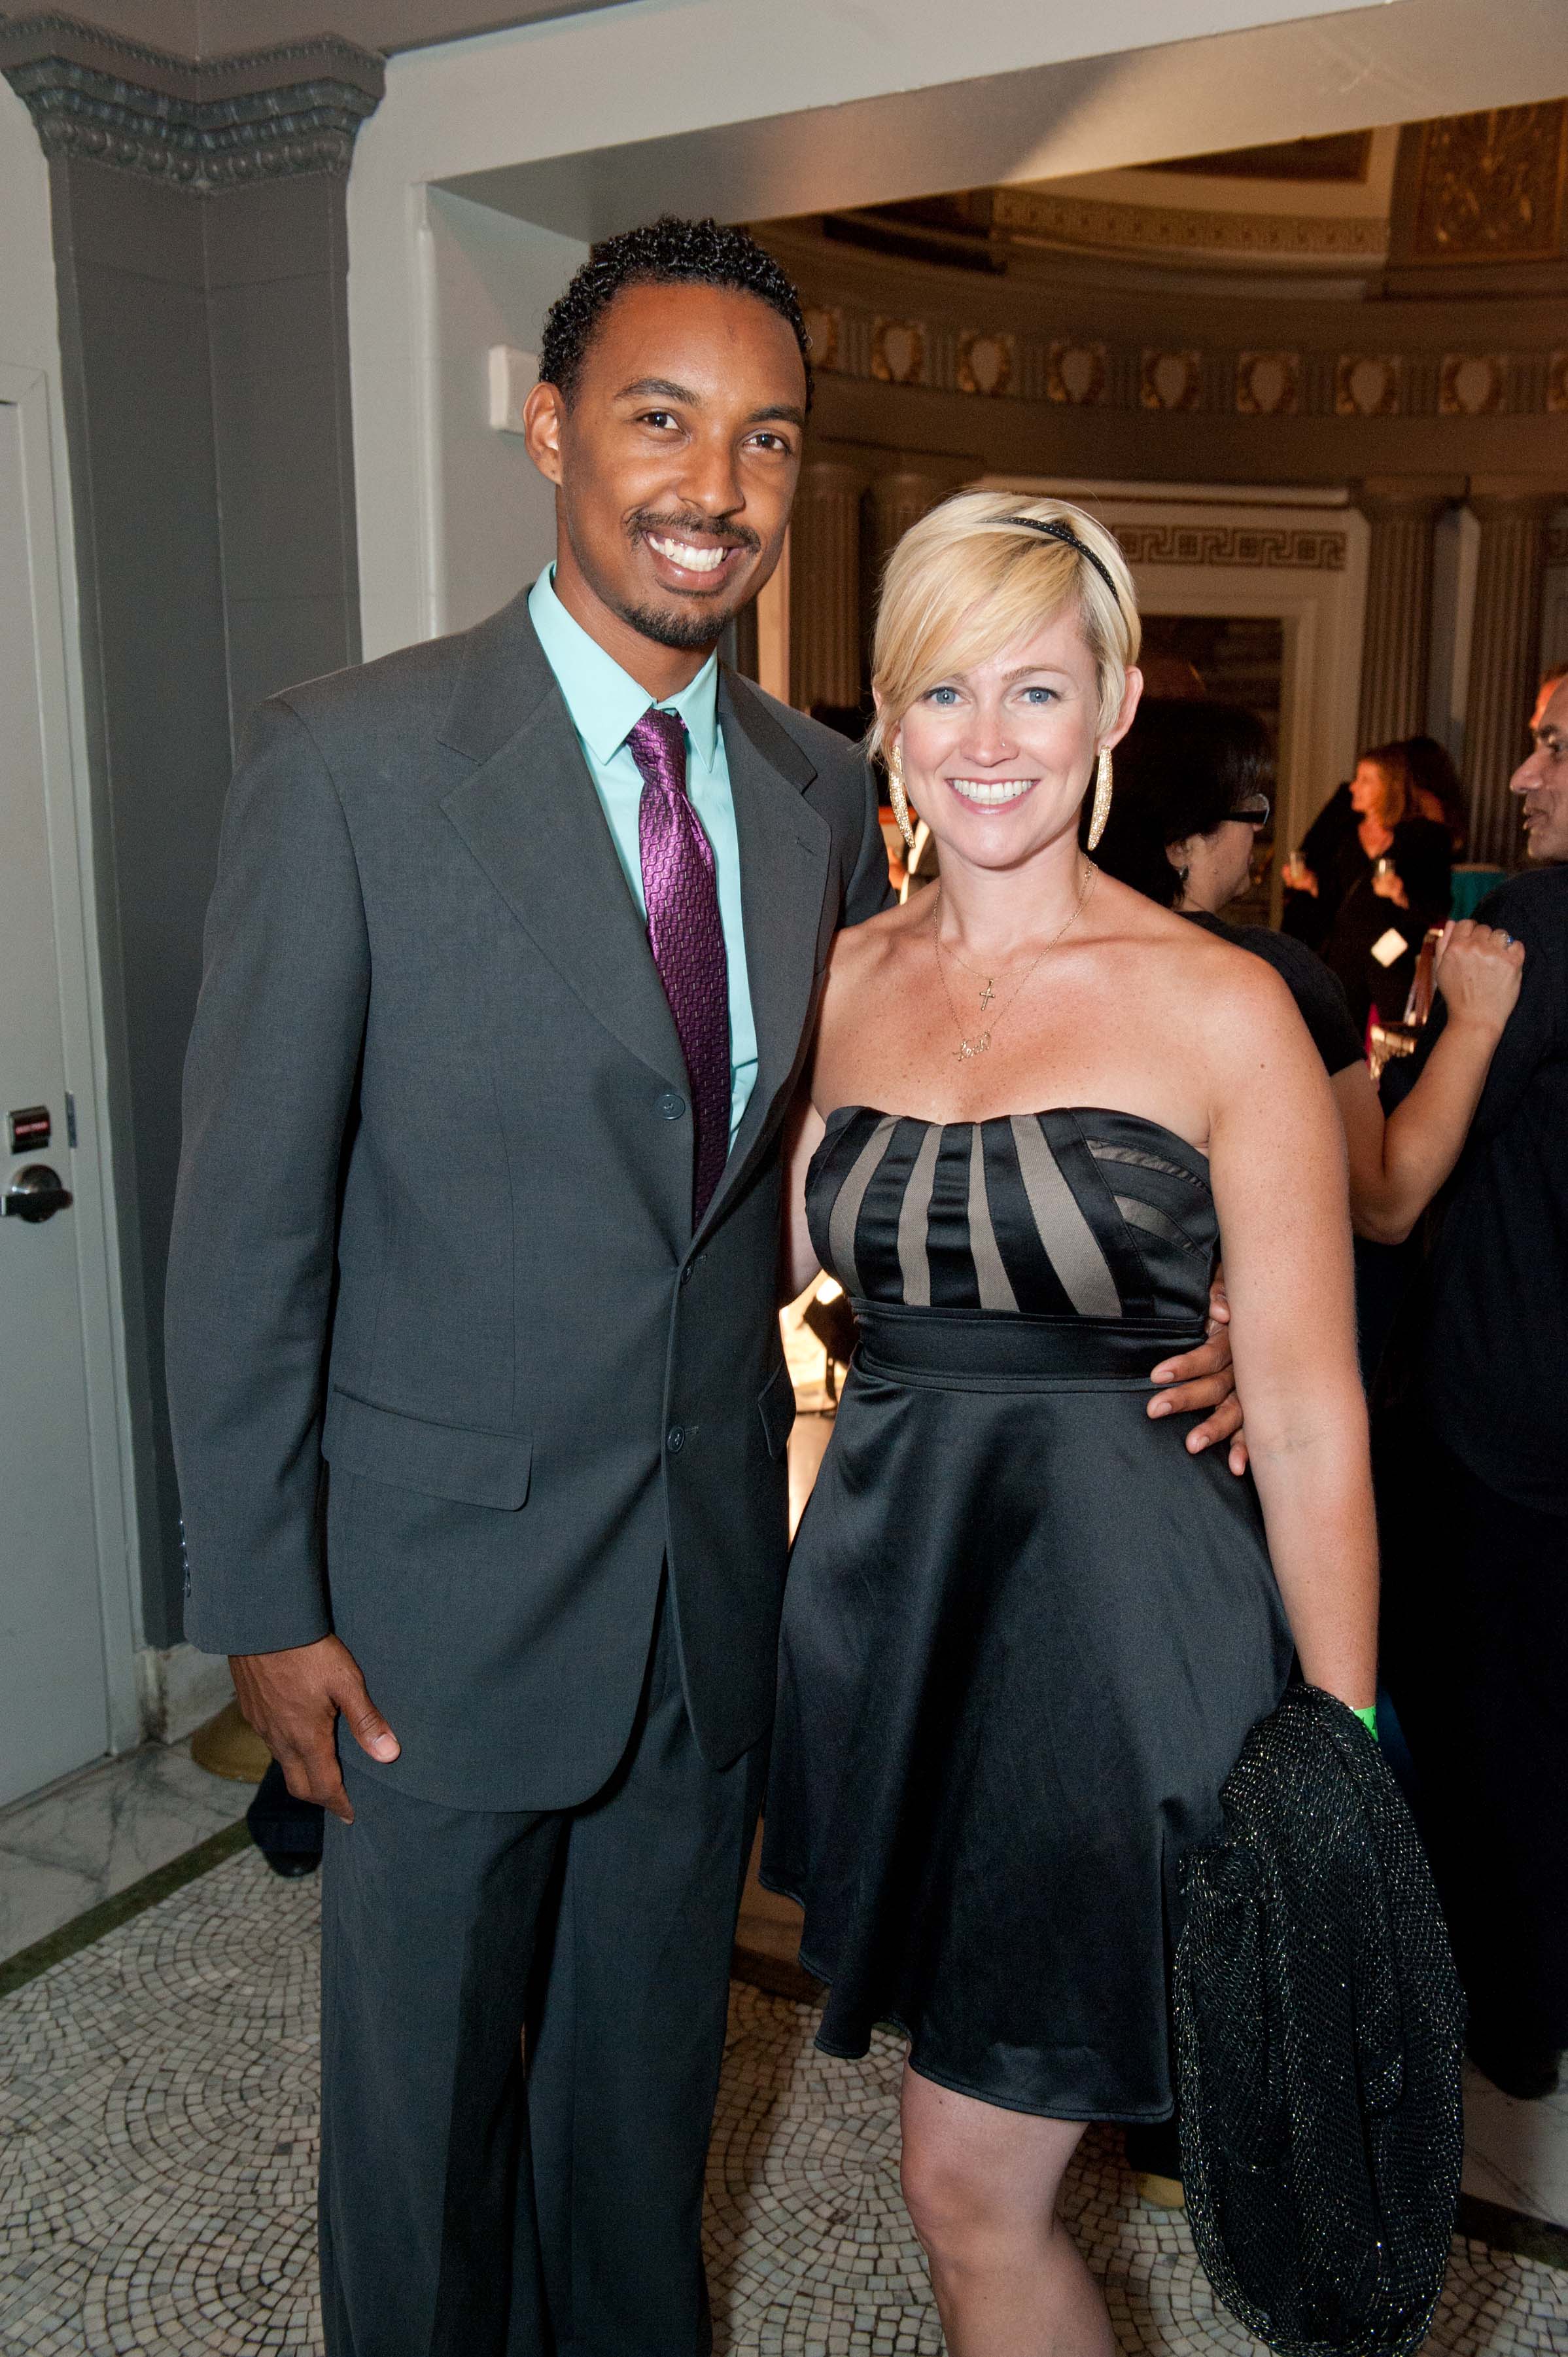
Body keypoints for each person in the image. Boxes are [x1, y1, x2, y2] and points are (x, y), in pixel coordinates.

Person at [164, 223, 1242, 2357]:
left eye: (764, 439)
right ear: (551, 431)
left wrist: (1149, 1298)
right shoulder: (350, 765)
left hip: (704, 1594)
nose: (714, 484)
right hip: (425, 1611)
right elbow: (245, 1229)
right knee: (422, 2143)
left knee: (638, 2122)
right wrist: (263, 1603)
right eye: (660, 418)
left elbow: (840, 1163)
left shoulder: (817, 790)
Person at [761, 493, 1379, 2354]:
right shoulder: (836, 980)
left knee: (968, 2181)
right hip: (893, 1610)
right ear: (887, 715)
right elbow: (723, 1275)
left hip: (1116, 1636)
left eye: (1034, 689)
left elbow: (1308, 1408)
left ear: (1109, 707)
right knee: (962, 2171)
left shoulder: (1222, 1005)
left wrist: (1342, 1753)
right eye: (942, 689)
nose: (986, 739)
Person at [1380, 671, 1568, 2101]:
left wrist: (1423, 1044)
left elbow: (1396, 1175)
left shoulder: (1537, 924)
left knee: (1476, 1713)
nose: (1520, 776)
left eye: (1553, 746)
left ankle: (1503, 2006)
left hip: (1505, 1403)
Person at [1095, 698, 1524, 1253]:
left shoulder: (1062, 955)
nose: (1257, 833)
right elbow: (1384, 1203)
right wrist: (1474, 1023)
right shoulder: (1266, 971)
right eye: (1249, 811)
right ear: (1180, 843)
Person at [1283, 743, 1452, 1030]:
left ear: (1388, 787)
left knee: (1394, 1033)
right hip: (1345, 951)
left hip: (1390, 951)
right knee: (1339, 1033)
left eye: (1365, 780)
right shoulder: (1346, 837)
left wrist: (1400, 894)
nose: (1353, 787)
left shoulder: (1420, 839)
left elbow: (1438, 903)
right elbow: (1337, 898)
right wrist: (1312, 885)